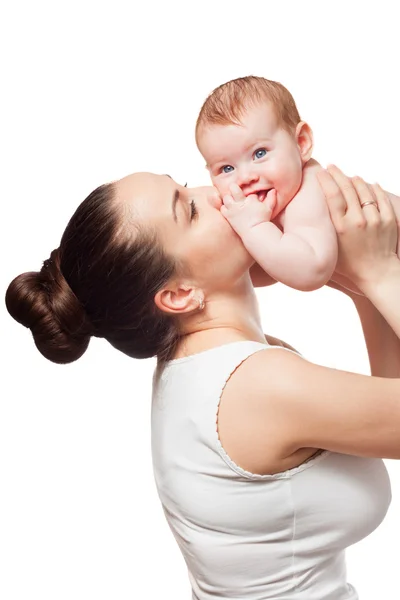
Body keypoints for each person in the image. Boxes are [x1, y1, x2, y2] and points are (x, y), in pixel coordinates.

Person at [5, 164, 400, 599]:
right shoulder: (255, 386)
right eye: (190, 210)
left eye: (186, 184)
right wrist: (380, 273)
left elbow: (388, 419)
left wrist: (359, 277)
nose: (218, 193)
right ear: (178, 295)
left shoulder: (206, 367)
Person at [196, 75, 400, 292]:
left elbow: (311, 272)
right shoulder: (278, 197)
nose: (246, 178)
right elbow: (269, 272)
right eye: (226, 169)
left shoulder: (309, 192)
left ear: (301, 143)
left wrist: (253, 228)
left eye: (259, 153)